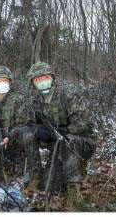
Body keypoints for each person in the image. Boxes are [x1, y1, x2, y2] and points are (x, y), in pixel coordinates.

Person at [20, 62, 96, 210]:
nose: (42, 81)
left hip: (81, 143)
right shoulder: (35, 103)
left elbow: (87, 124)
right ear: (33, 83)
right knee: (47, 186)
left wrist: (66, 130)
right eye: (37, 79)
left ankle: (74, 189)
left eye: (45, 77)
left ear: (52, 78)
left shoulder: (66, 96)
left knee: (68, 140)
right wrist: (39, 131)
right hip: (58, 147)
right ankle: (36, 174)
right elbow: (30, 124)